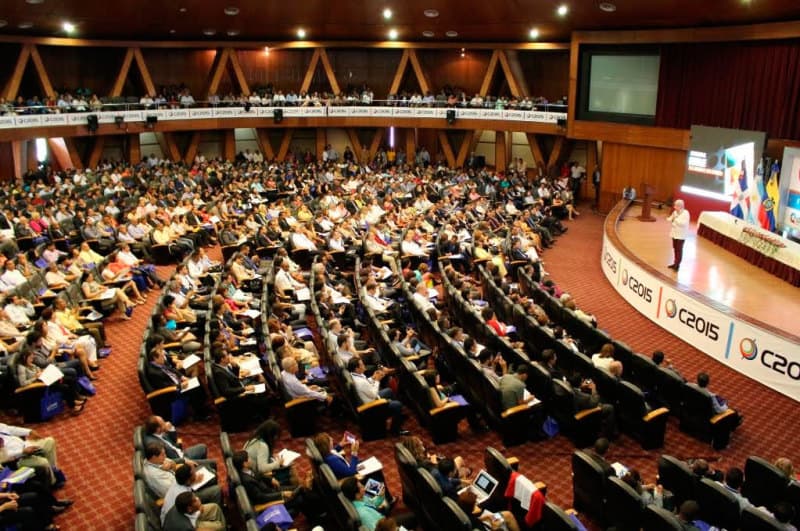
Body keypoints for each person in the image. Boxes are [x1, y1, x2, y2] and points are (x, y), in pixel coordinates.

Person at [347, 357, 408, 436]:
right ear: (356, 369)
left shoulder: (356, 375)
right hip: (371, 407)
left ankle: (397, 416)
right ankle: (395, 431)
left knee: (388, 391)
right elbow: (374, 394)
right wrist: (377, 380)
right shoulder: (360, 382)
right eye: (361, 365)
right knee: (398, 405)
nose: (364, 365)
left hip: (370, 397)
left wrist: (373, 377)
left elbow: (366, 383)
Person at [160, 466, 225, 530]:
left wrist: (198, 507)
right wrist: (198, 511)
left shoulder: (179, 484)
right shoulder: (187, 526)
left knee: (215, 507)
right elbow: (189, 518)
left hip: (184, 514)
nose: (196, 474)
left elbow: (187, 510)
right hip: (187, 522)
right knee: (219, 526)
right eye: (193, 474)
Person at [666, 198, 690, 270]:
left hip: (681, 235)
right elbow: (670, 218)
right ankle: (675, 262)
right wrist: (668, 219)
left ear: (680, 206)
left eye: (676, 206)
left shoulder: (686, 213)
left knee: (679, 250)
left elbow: (683, 224)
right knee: (675, 248)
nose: (674, 207)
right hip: (674, 234)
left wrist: (675, 220)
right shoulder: (675, 212)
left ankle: (677, 265)